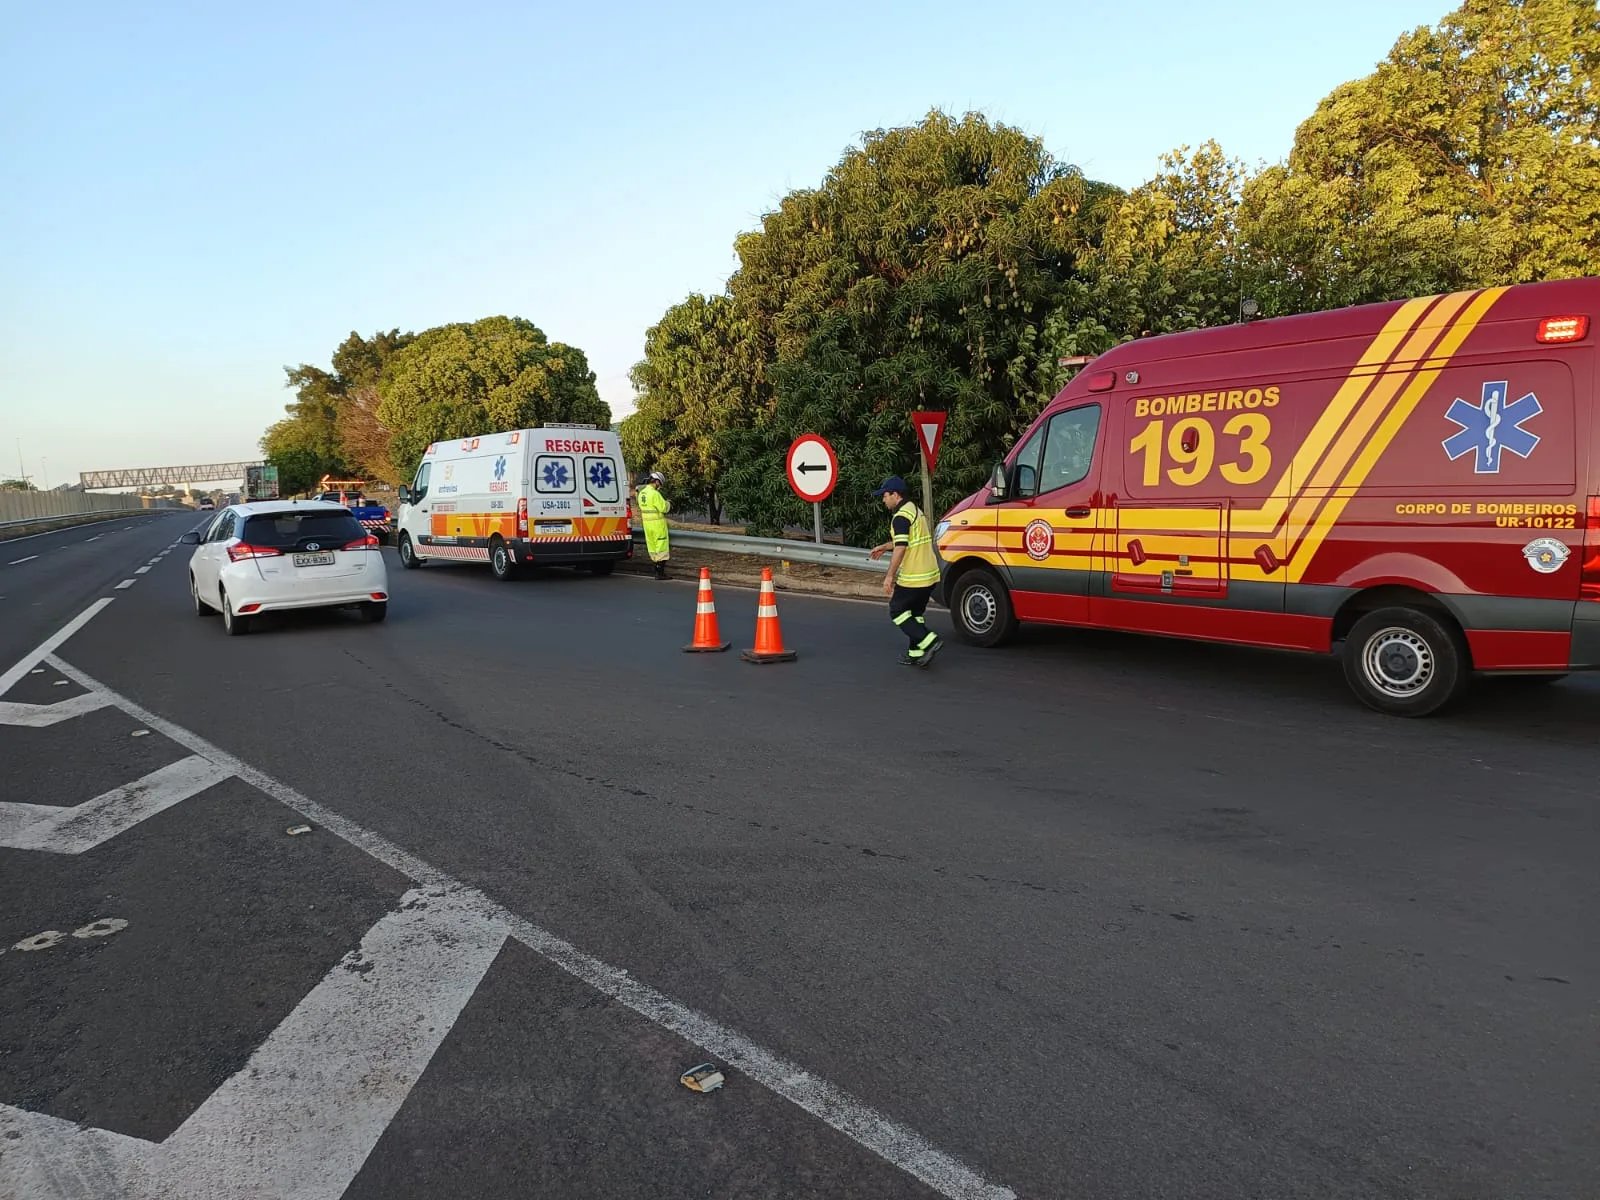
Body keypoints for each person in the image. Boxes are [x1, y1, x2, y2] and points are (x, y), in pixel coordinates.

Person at [868, 476, 943, 667]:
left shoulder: (901, 516)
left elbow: (901, 548)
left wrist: (889, 576)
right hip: (930, 573)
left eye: (885, 495)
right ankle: (916, 653)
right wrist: (885, 546)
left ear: (895, 495)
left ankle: (929, 641)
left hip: (914, 576)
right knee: (914, 614)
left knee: (897, 610)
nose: (883, 500)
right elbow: (904, 541)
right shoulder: (914, 510)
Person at [636, 471, 671, 579]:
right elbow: (663, 508)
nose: (659, 486)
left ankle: (655, 570)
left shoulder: (642, 493)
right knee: (661, 547)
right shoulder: (655, 494)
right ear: (656, 481)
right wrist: (668, 503)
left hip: (647, 524)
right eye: (659, 483)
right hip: (657, 525)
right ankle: (660, 573)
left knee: (652, 547)